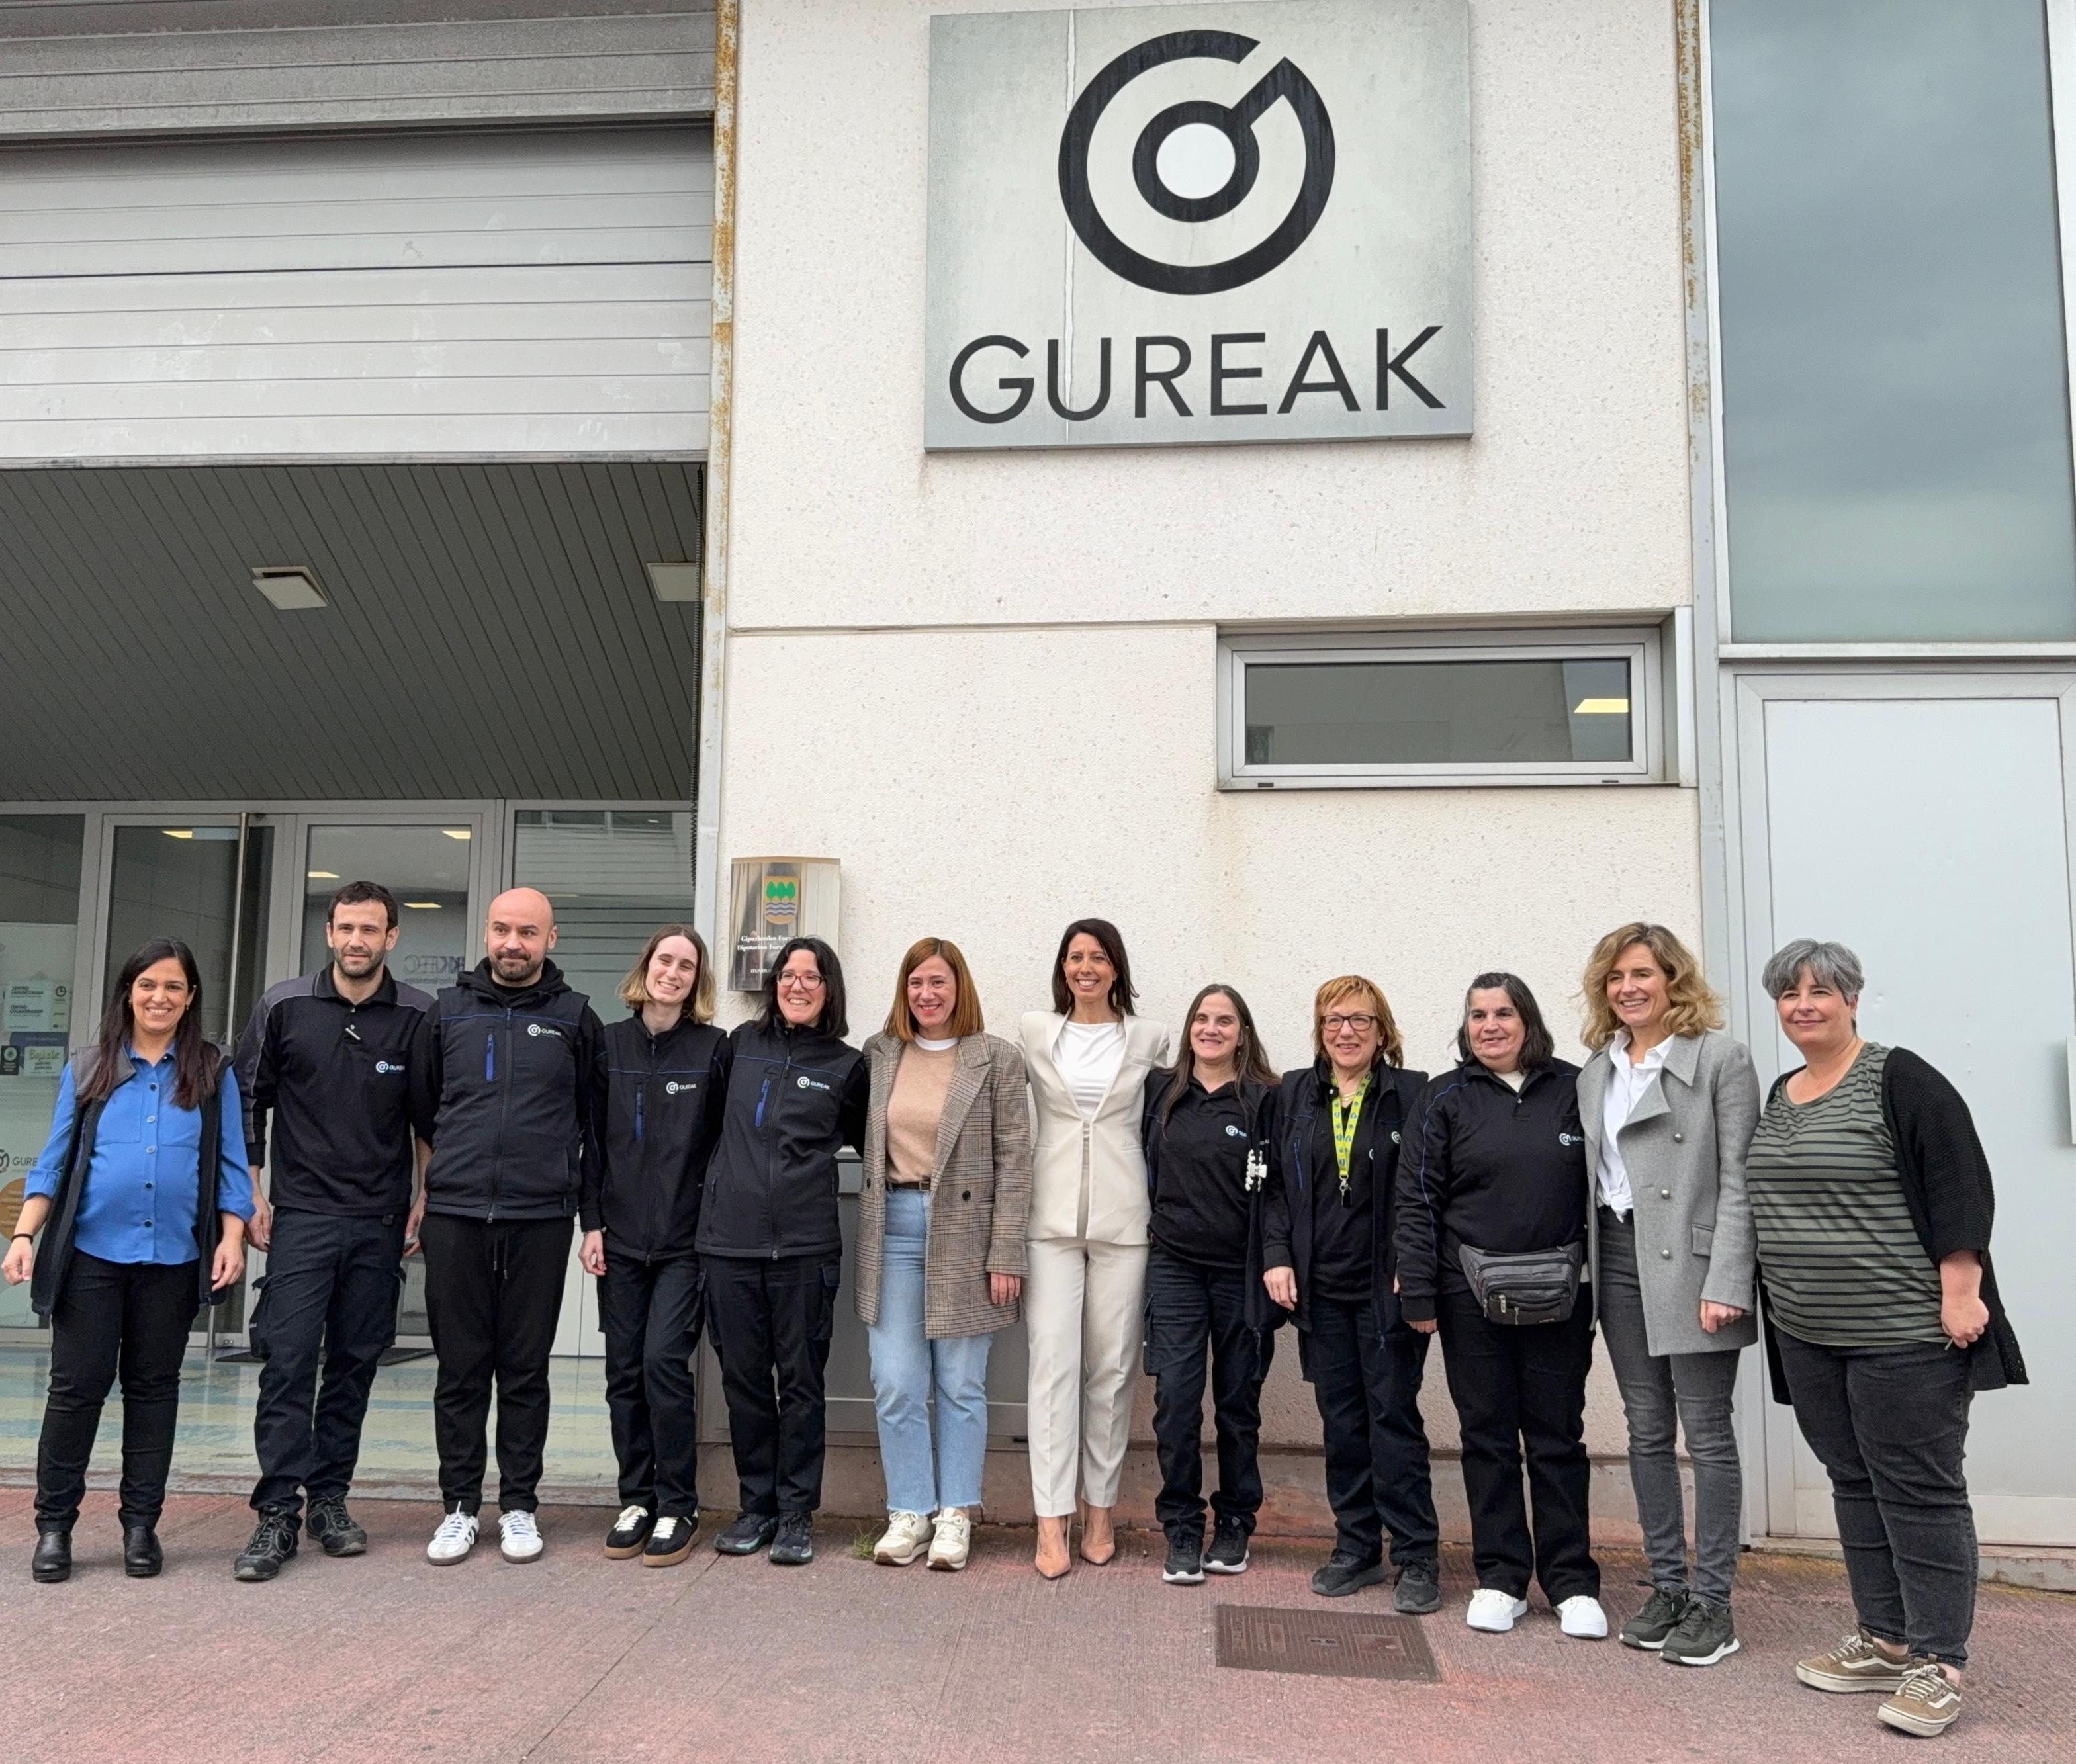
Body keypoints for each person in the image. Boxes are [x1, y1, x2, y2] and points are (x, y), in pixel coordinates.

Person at [1750, 939, 2025, 1741]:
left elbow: (1959, 1184)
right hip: (1805, 1330)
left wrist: (1961, 1290)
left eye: (1819, 990)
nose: (1803, 1004)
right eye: (1789, 993)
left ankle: (1938, 1662)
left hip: (1901, 1332)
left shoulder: (1901, 1078)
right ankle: (1884, 1637)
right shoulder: (1781, 1090)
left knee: (1918, 1488)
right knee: (1852, 1479)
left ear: (1852, 998)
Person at [4, 939, 254, 1583]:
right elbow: (53, 1161)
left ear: (190, 997)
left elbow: (231, 1163)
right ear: (128, 992)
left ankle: (141, 1526)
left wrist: (232, 1236)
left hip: (172, 1259)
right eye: (147, 985)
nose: (159, 997)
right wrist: (25, 1234)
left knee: (153, 1392)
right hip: (91, 1257)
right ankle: (55, 1527)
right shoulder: (90, 1067)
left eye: (173, 987)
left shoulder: (211, 1070)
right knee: (75, 1391)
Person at [229, 880, 435, 1583]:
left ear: (391, 937)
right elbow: (247, 1101)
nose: (356, 940)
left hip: (379, 1220)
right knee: (287, 1362)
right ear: (329, 932)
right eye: (346, 927)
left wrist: (425, 1194)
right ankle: (276, 1513)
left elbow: (429, 1118)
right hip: (301, 1217)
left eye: (370, 929)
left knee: (353, 1364)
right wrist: (252, 1191)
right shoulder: (283, 1005)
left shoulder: (418, 1015)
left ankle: (329, 1501)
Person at [1398, 971, 1606, 1640]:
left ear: (1528, 1021)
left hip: (1560, 1296)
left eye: (1503, 1013)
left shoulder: (1576, 1088)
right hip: (1469, 1296)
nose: (1490, 1025)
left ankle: (1571, 1582)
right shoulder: (1442, 1097)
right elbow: (1416, 1198)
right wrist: (1419, 1290)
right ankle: (1500, 1578)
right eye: (1478, 1015)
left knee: (1556, 1436)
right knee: (1485, 1435)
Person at [405, 887, 608, 1567]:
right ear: (487, 934)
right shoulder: (447, 1013)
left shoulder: (577, 1019)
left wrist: (590, 1218)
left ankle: (519, 1504)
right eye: (500, 929)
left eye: (526, 931)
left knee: (524, 1370)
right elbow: (425, 1111)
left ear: (551, 939)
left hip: (540, 1216)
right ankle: (460, 1507)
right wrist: (430, 1190)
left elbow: (594, 1128)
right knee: (460, 1371)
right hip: (456, 1216)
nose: (512, 943)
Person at [1578, 923, 1760, 1666]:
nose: (1628, 988)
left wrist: (1728, 1278)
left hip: (1691, 1264)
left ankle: (1713, 1601)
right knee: (1645, 1429)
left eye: (1642, 974)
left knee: (1706, 1433)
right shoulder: (1597, 1068)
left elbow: (1739, 1177)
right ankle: (1667, 1587)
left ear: (1672, 979)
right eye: (1616, 976)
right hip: (1618, 1256)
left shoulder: (1718, 1057)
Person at [1261, 975, 1437, 1609]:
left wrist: (1415, 1265)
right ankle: (1356, 1547)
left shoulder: (1412, 1093)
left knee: (1393, 1419)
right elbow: (1275, 1188)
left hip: (1385, 1289)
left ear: (1382, 1031)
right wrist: (1277, 1257)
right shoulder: (1294, 1094)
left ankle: (1416, 1556)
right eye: (1333, 1020)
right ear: (1319, 1029)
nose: (1346, 1031)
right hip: (1321, 1290)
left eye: (1360, 1019)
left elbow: (1427, 1187)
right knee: (1341, 1423)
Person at [856, 938, 1031, 1572]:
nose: (926, 995)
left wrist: (1005, 1251)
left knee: (960, 1382)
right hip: (893, 1226)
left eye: (938, 982)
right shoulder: (880, 1053)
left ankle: (955, 1513)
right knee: (895, 1381)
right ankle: (909, 1511)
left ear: (960, 988)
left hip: (966, 1230)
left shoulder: (996, 1058)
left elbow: (1015, 1158)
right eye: (916, 983)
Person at [700, 936, 867, 1567]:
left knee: (799, 1384)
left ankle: (797, 1513)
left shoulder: (848, 1067)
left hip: (805, 1247)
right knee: (744, 1382)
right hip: (729, 1245)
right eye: (788, 975)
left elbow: (869, 1145)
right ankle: (756, 1507)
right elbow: (705, 1131)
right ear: (773, 986)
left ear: (829, 990)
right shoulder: (738, 1047)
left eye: (811, 977)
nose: (798, 986)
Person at [1019, 919, 1171, 1579]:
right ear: (1063, 967)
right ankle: (1050, 1518)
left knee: (1110, 1368)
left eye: (1098, 957)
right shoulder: (1034, 1031)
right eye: (1075, 956)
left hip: (1124, 1218)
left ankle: (1099, 1508)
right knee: (1052, 1364)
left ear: (1116, 968)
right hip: (1049, 1217)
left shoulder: (1148, 1037)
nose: (1086, 967)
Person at [578, 926, 727, 1569]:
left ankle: (678, 1504)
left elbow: (722, 1149)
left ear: (696, 980)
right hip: (618, 1239)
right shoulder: (606, 1044)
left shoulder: (713, 1049)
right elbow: (588, 1141)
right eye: (665, 960)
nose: (673, 972)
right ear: (646, 967)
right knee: (624, 1372)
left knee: (663, 1362)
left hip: (684, 1243)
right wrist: (590, 1224)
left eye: (686, 965)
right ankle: (636, 1499)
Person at [1142, 983, 1277, 1587]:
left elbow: (1281, 1188)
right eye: (1201, 1018)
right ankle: (1181, 1524)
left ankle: (1235, 1522)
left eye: (1224, 1020)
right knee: (1175, 1401)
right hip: (1174, 1267)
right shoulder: (1160, 1091)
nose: (1211, 1029)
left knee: (1237, 1404)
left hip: (1242, 1274)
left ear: (1242, 1034)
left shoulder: (1266, 1099)